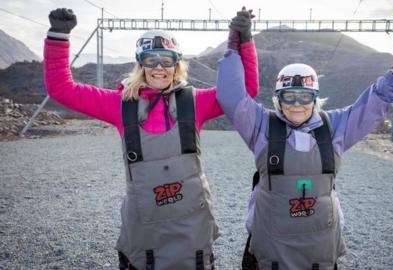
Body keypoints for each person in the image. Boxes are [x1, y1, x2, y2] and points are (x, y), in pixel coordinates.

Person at [44, 7, 258, 270]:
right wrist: (58, 37)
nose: (159, 67)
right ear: (140, 64)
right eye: (150, 60)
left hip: (192, 233)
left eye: (166, 60)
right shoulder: (119, 105)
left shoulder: (196, 102)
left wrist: (242, 41)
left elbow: (245, 89)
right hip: (143, 237)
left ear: (177, 64)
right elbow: (62, 89)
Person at [216, 26, 393, 269]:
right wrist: (233, 50)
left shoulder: (335, 126)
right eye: (289, 96)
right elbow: (231, 97)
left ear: (315, 99)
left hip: (321, 249)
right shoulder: (261, 125)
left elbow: (371, 107)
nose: (297, 104)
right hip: (270, 249)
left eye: (305, 97)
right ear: (278, 99)